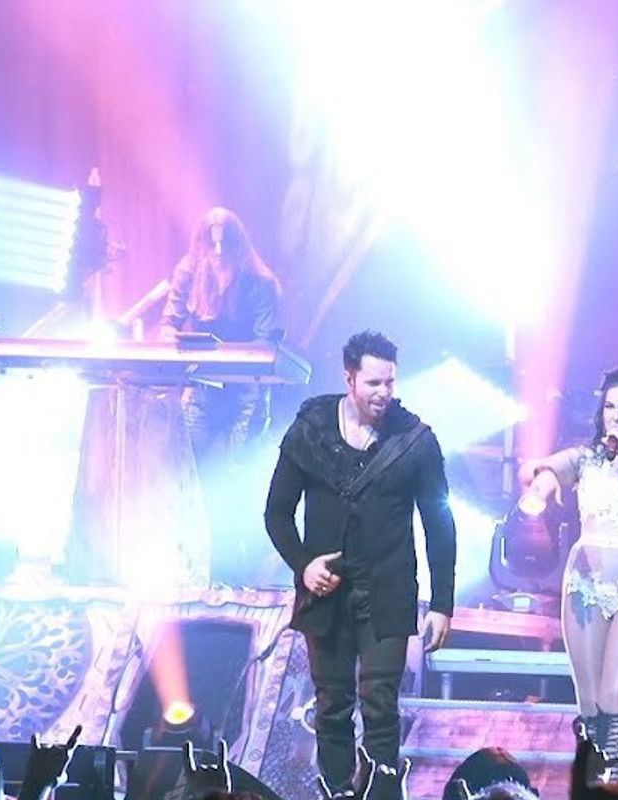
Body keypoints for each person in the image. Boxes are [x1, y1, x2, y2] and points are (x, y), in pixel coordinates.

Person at [263, 331, 457, 800]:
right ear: (349, 378)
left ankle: (382, 792)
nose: (383, 393)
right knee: (331, 705)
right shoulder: (311, 430)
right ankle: (337, 792)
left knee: (380, 704)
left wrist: (442, 604)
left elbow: (440, 524)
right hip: (326, 592)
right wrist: (304, 565)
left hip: (388, 591)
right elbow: (277, 512)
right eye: (373, 383)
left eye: (390, 382)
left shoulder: (414, 440)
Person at [515, 367, 618, 796]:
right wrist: (543, 484)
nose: (616, 415)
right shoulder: (586, 458)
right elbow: (538, 472)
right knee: (591, 702)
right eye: (609, 406)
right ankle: (591, 789)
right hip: (586, 580)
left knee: (616, 698)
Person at [155, 207, 283, 460]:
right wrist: (172, 348)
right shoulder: (189, 271)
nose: (219, 254)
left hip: (247, 389)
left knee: (241, 468)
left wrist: (236, 361)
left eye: (226, 246)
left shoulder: (260, 281)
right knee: (188, 464)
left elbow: (265, 343)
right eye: (213, 246)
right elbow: (169, 322)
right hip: (202, 385)